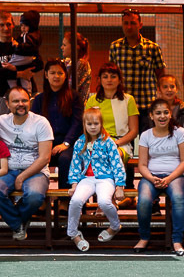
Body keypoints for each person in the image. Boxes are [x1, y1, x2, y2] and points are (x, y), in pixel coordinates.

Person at [135, 98, 184, 255]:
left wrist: (169, 178)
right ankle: (144, 237)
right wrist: (152, 178)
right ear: (151, 116)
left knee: (178, 199)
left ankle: (177, 240)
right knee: (144, 201)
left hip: (176, 177)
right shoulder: (146, 135)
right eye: (158, 113)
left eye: (166, 112)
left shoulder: (179, 132)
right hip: (151, 176)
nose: (162, 116)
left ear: (170, 114)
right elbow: (142, 165)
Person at [65, 107, 125, 252]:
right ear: (84, 125)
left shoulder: (108, 142)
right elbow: (75, 164)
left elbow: (117, 163)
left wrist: (120, 186)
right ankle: (73, 234)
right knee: (75, 201)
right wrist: (74, 184)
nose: (93, 127)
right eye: (89, 124)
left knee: (104, 202)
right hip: (87, 178)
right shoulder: (80, 142)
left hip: (105, 179)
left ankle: (115, 226)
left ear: (101, 124)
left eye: (96, 124)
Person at [0, 87, 53, 240]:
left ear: (30, 101)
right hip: (7, 170)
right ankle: (18, 224)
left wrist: (21, 177)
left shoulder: (41, 123)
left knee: (35, 196)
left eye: (24, 100)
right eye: (16, 101)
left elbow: (44, 158)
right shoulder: (2, 121)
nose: (20, 104)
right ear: (7, 104)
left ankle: (15, 220)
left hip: (36, 171)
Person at [31, 59, 83, 188]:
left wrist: (66, 143)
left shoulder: (74, 97)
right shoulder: (39, 99)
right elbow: (33, 124)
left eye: (60, 73)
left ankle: (64, 202)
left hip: (68, 144)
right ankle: (40, 199)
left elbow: (77, 123)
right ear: (46, 75)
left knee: (65, 159)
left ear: (65, 75)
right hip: (44, 143)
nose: (56, 76)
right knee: (32, 158)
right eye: (52, 73)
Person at [107, 8, 164, 128]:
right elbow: (111, 74)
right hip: (123, 104)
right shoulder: (115, 47)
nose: (129, 27)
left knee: (147, 140)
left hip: (146, 105)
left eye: (132, 23)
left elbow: (161, 75)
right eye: (126, 23)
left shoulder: (152, 47)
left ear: (140, 25)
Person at [6, 10, 43, 96]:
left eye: (8, 25)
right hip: (7, 93)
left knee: (10, 67)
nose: (5, 28)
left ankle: (23, 91)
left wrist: (18, 46)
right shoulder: (26, 36)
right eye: (1, 25)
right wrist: (20, 73)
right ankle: (22, 91)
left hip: (21, 92)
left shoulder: (27, 36)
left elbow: (39, 63)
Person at [59, 31, 91, 97]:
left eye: (64, 45)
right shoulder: (67, 62)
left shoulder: (82, 64)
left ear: (75, 47)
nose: (61, 47)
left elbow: (71, 86)